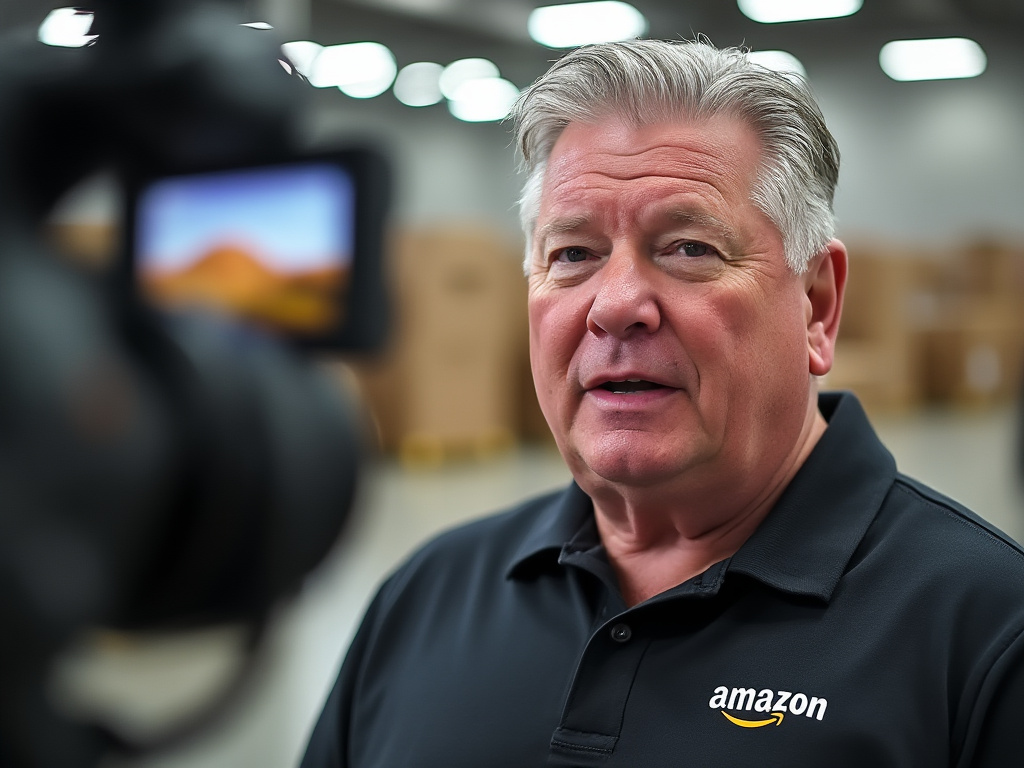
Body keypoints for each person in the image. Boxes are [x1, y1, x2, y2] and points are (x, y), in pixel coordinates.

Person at [300, 40, 1024, 767]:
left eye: (687, 248)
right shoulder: (427, 594)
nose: (614, 307)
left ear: (816, 305)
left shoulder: (986, 635)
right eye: (572, 254)